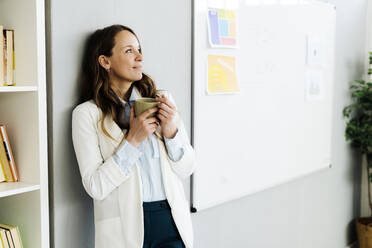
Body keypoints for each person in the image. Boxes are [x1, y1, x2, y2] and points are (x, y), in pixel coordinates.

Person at [72, 24, 196, 248]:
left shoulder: (162, 100)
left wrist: (171, 133)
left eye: (139, 50)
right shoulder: (86, 115)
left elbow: (187, 169)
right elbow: (95, 186)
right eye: (129, 51)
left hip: (171, 223)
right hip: (123, 233)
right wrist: (133, 140)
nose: (139, 57)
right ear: (105, 61)